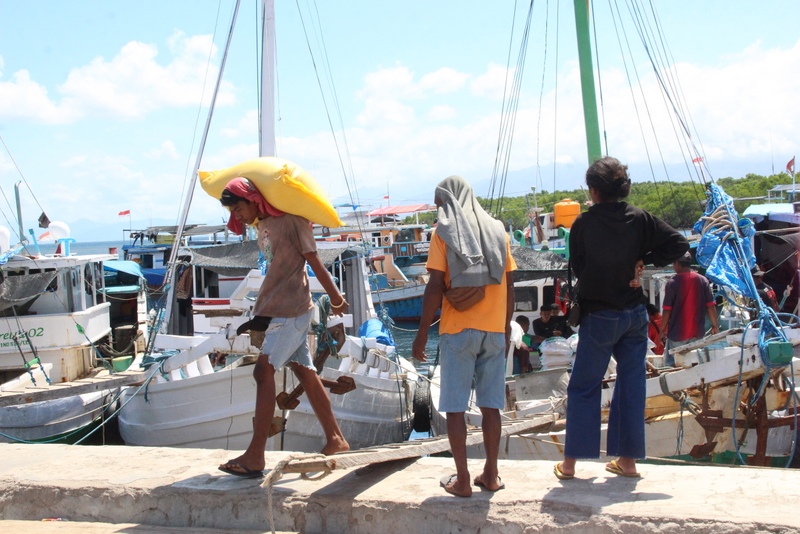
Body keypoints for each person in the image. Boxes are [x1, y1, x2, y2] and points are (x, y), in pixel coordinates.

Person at [554, 157, 687, 481]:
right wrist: (644, 260)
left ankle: (570, 464)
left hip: (599, 315)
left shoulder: (583, 224)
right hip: (634, 314)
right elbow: (679, 243)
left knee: (584, 387)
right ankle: (627, 462)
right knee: (631, 385)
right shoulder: (639, 218)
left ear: (593, 190)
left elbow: (579, 267)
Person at [217, 177, 349, 478]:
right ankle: (336, 440)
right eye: (232, 211)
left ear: (253, 199)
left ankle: (255, 455)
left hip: (292, 309)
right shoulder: (263, 225)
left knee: (262, 372)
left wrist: (336, 297)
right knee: (306, 373)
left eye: (238, 208)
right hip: (274, 308)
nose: (237, 215)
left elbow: (312, 259)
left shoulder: (292, 221)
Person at [412, 175, 516, 498]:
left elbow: (434, 286)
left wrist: (421, 334)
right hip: (494, 330)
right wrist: (505, 327)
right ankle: (492, 475)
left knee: (455, 408)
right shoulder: (498, 230)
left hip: (458, 330)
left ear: (450, 200)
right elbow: (510, 285)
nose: (439, 210)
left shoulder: (443, 232)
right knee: (491, 407)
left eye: (440, 203)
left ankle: (463, 480)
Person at [659, 252, 720, 366]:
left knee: (673, 365)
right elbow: (710, 306)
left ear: (677, 264)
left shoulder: (672, 283)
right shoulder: (703, 280)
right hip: (697, 333)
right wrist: (715, 326)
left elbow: (667, 310)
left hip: (677, 334)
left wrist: (662, 330)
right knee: (695, 364)